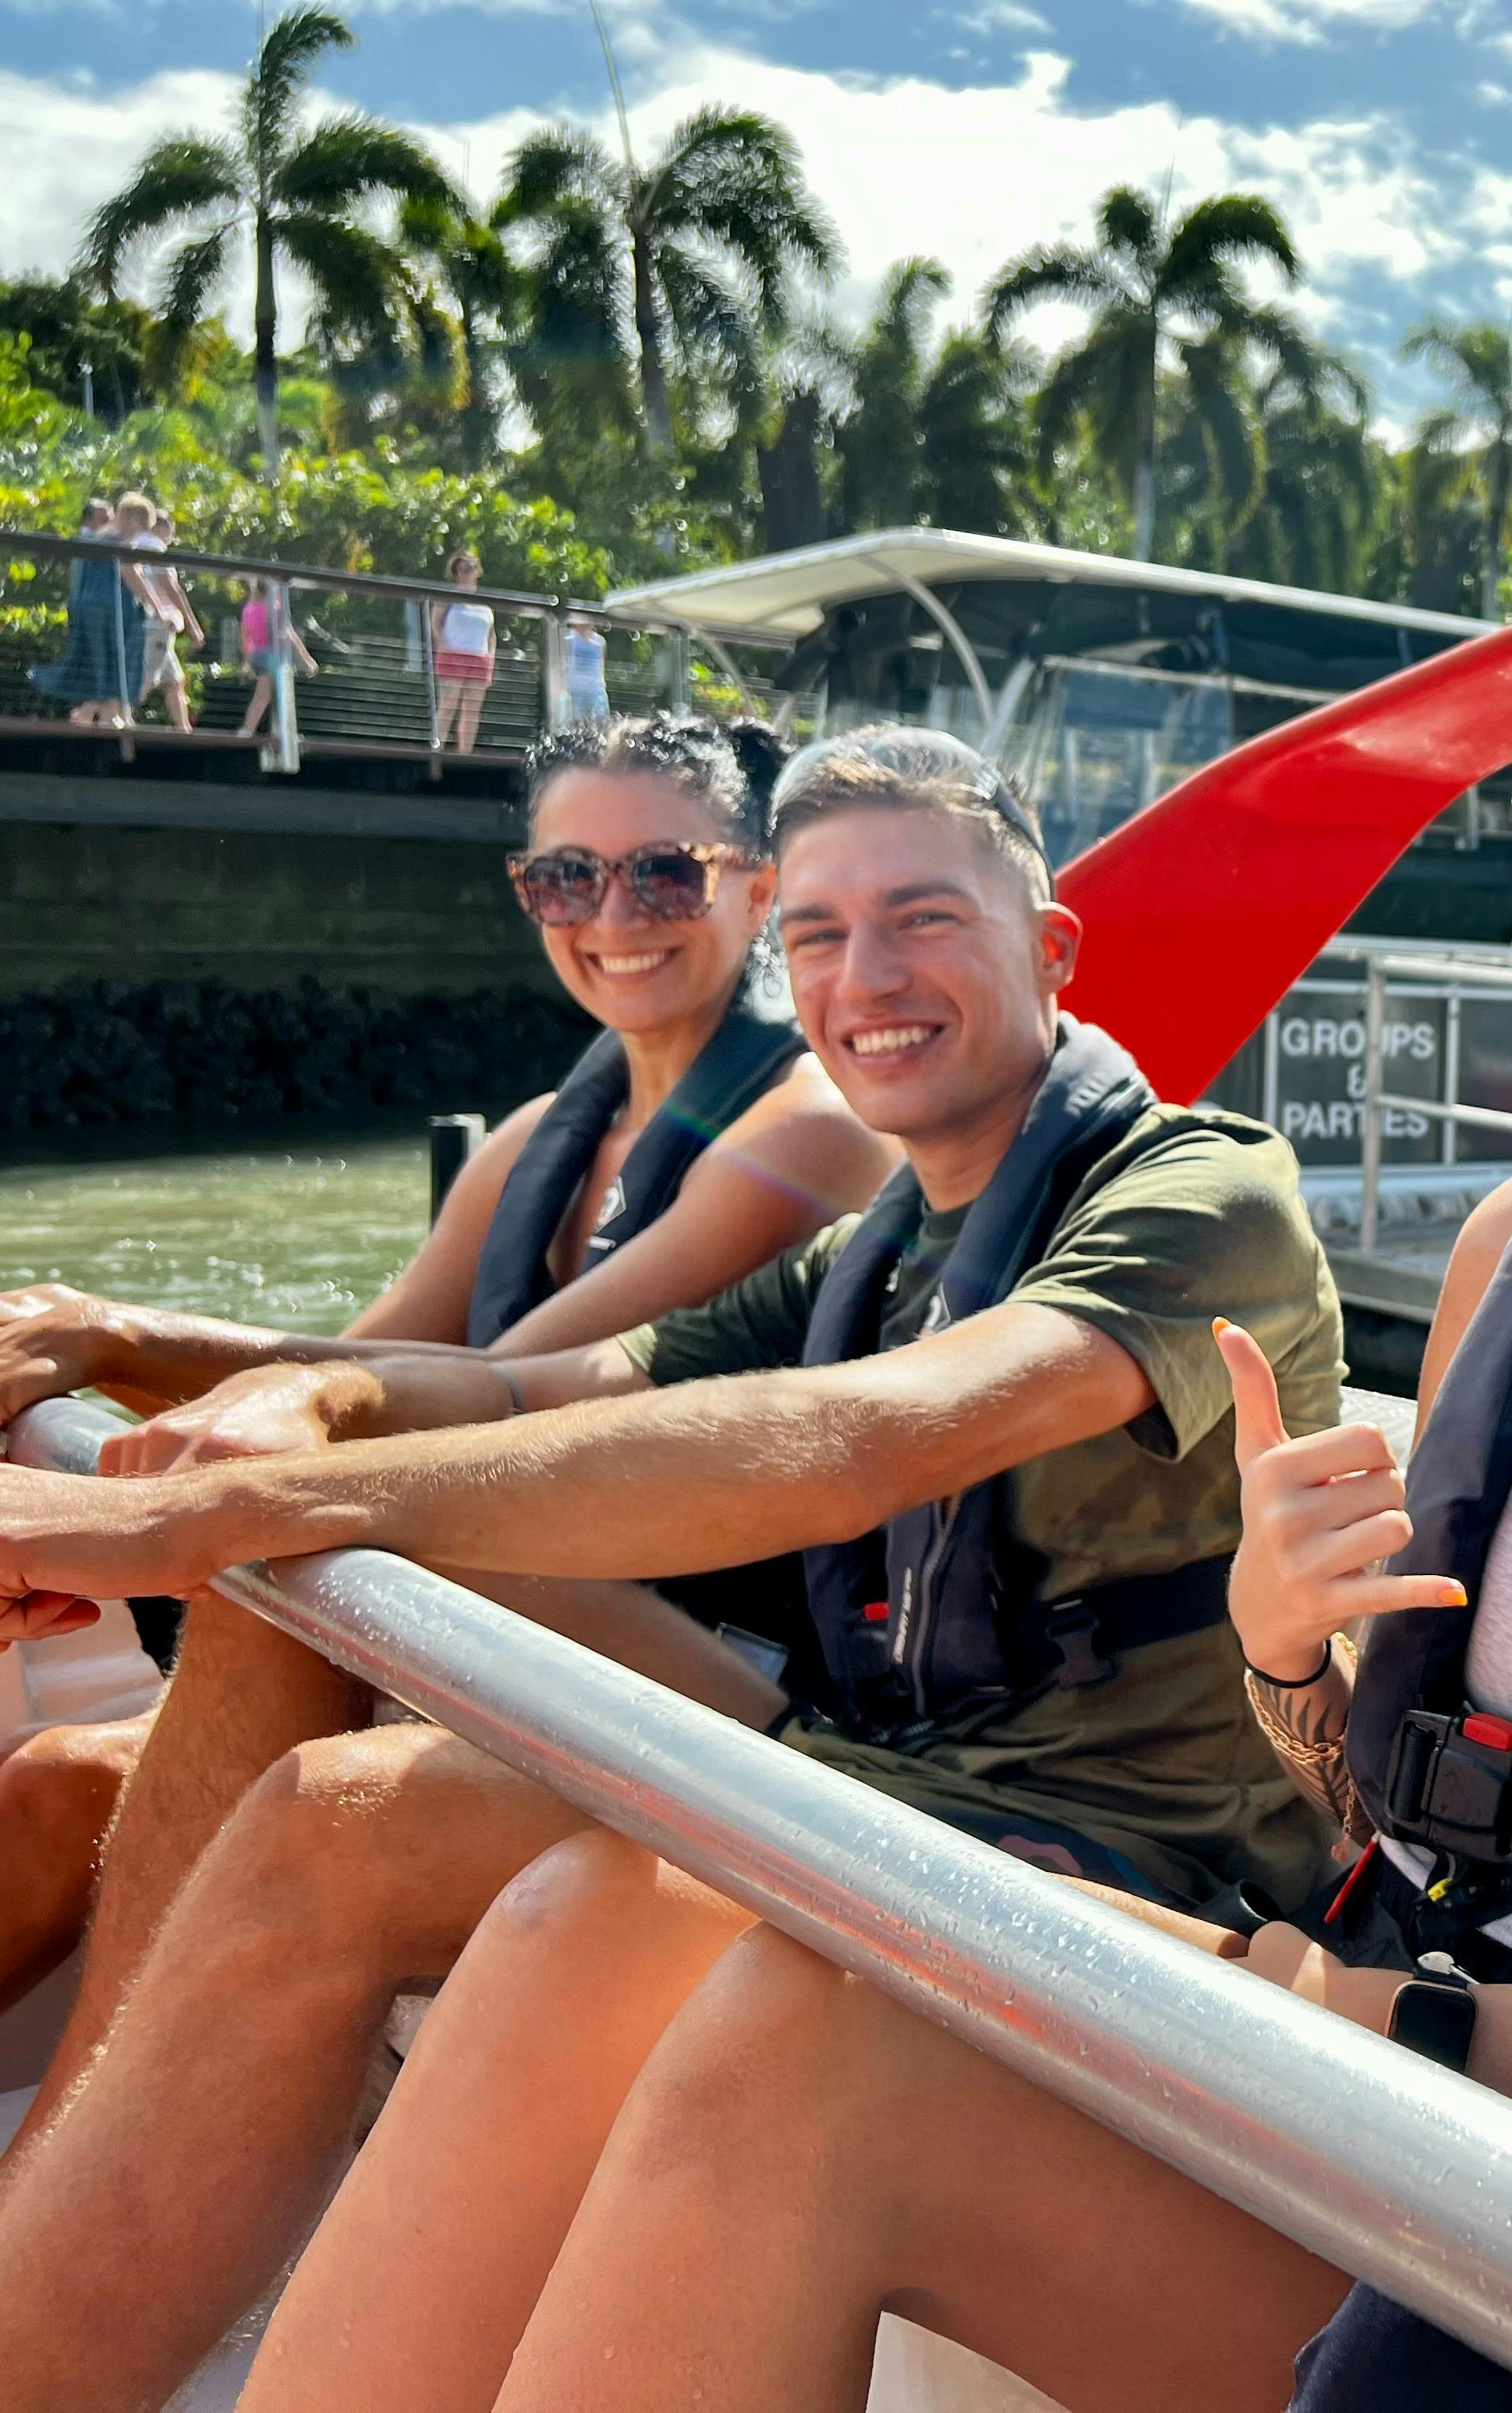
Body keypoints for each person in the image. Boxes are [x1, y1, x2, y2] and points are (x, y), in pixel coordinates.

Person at [211, 540, 1512, 2413]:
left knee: (804, 2040)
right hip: (1399, 2081)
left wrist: (1376, 2021)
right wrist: (1288, 1662)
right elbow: (1400, 1818)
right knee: (734, 1992)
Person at [0, 723, 1344, 2410]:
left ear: (1050, 946)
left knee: (356, 1756)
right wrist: (306, 1392)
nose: (870, 977)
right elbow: (528, 1384)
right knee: (324, 1810)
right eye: (826, 936)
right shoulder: (882, 1245)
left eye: (926, 919)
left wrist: (177, 1519)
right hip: (880, 1793)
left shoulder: (1204, 1188)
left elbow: (874, 1439)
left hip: (1137, 1875)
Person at [0, 714, 887, 2065]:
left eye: (663, 872)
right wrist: (90, 1367)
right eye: (564, 879)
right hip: (470, 1626)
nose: (613, 915)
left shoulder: (807, 1133)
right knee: (56, 1787)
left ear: (756, 887)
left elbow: (478, 1389)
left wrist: (108, 1333)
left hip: (676, 1666)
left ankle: (60, 2185)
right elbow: (347, 1360)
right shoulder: (539, 1135)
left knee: (89, 1777)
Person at [27, 499, 137, 728]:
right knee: (98, 661)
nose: (109, 519)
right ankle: (91, 714)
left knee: (102, 662)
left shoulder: (98, 538)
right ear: (90, 517)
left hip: (92, 609)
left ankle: (99, 714)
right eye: (104, 515)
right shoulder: (89, 539)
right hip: (91, 611)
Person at [116, 493, 200, 730]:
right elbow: (169, 587)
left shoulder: (134, 543)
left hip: (148, 621)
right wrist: (193, 626)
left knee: (174, 680)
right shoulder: (153, 546)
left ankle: (184, 729)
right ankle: (119, 715)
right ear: (161, 528)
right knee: (147, 676)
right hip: (157, 624)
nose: (171, 540)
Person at [233, 577, 320, 737]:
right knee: (280, 694)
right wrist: (307, 659)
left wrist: (248, 661)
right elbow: (289, 634)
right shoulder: (275, 608)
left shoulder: (249, 609)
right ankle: (271, 731)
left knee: (266, 694)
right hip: (272, 655)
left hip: (257, 654)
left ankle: (262, 730)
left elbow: (244, 637)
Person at [431, 549, 495, 752]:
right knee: (448, 704)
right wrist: (443, 644)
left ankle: (465, 752)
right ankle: (438, 747)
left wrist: (491, 656)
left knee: (472, 710)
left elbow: (491, 633)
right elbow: (435, 623)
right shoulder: (448, 598)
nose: (467, 573)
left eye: (471, 568)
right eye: (462, 569)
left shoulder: (485, 603)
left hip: (479, 658)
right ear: (456, 572)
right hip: (454, 655)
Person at [562, 612, 611, 725]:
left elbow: (601, 665)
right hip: (575, 690)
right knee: (575, 723)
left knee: (599, 724)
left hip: (595, 690)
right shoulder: (568, 639)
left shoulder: (599, 642)